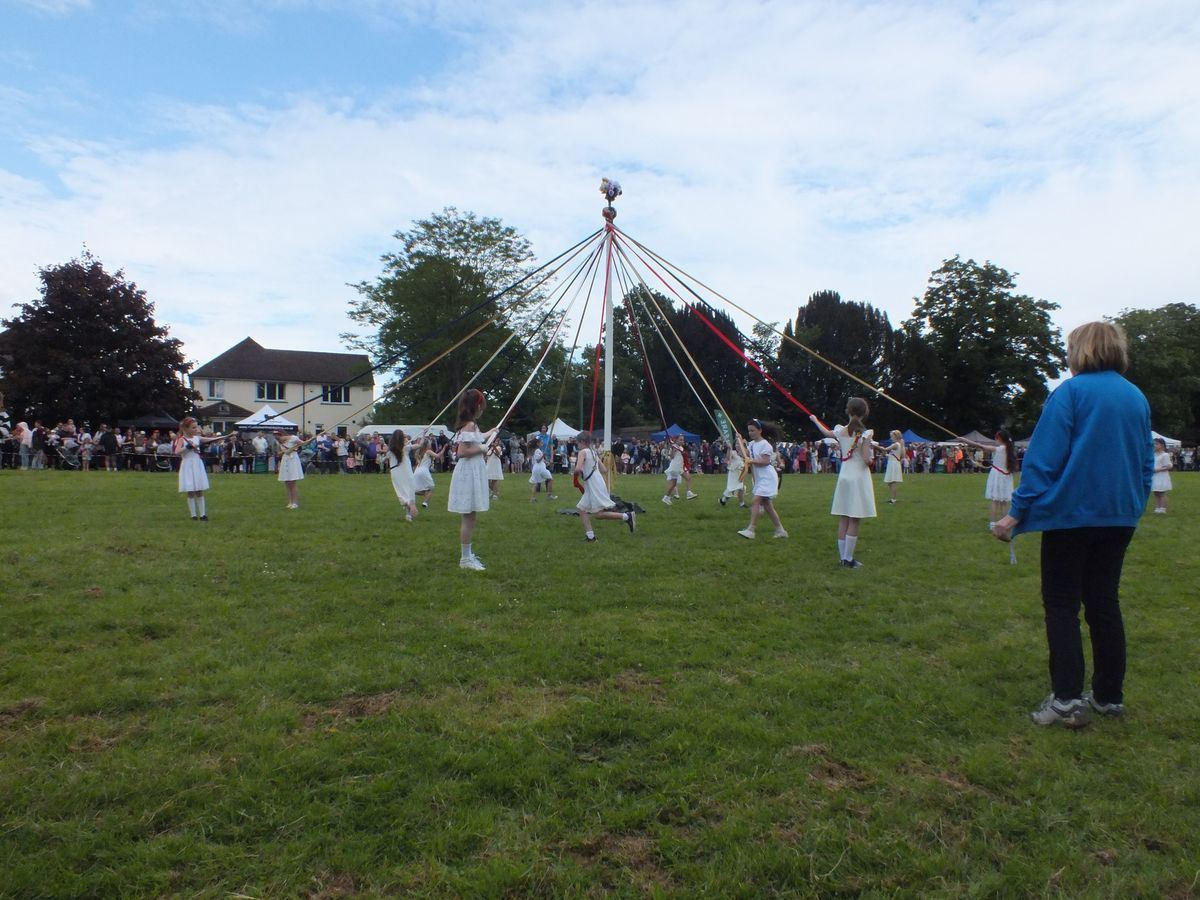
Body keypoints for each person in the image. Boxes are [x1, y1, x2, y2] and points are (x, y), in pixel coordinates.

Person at [992, 322, 1153, 728]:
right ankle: (1108, 696)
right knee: (1104, 603)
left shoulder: (1071, 393)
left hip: (1071, 518)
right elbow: (1145, 462)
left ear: (1080, 351)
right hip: (1119, 516)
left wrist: (1016, 511)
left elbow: (1044, 459)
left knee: (1062, 606)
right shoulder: (1136, 397)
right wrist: (1134, 503)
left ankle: (1066, 700)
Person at [810, 398, 876, 568]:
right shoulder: (866, 434)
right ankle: (848, 559)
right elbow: (867, 459)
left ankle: (843, 558)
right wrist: (871, 458)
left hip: (845, 475)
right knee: (855, 519)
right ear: (865, 413)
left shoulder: (840, 431)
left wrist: (815, 420)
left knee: (844, 517)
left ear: (848, 411)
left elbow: (826, 433)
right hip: (859, 476)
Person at [448, 389, 497, 570]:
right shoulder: (469, 425)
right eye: (481, 406)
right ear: (476, 406)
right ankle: (465, 559)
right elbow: (462, 452)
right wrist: (483, 449)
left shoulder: (470, 426)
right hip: (468, 472)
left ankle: (467, 555)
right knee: (469, 517)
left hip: (471, 471)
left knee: (471, 516)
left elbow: (477, 438)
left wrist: (490, 432)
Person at [573, 431, 636, 541]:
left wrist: (578, 474)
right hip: (597, 482)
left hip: (593, 484)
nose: (576, 445)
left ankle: (627, 516)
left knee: (598, 514)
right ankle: (590, 536)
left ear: (582, 442)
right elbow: (604, 470)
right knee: (582, 509)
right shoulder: (593, 453)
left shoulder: (582, 452)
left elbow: (578, 469)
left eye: (577, 443)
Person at [736, 420, 787, 539]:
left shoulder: (765, 444)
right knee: (768, 505)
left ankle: (751, 530)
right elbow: (745, 455)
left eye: (753, 430)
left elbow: (765, 461)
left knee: (756, 500)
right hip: (760, 478)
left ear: (760, 430)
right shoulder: (752, 444)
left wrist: (751, 461)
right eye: (749, 431)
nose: (751, 433)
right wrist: (740, 441)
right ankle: (780, 530)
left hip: (767, 477)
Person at [173, 418, 222, 520]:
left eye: (196, 427)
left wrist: (228, 435)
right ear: (186, 429)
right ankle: (193, 515)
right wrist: (188, 447)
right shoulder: (181, 439)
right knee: (190, 490)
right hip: (187, 465)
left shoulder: (197, 438)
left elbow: (213, 439)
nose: (196, 429)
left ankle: (203, 514)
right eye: (193, 427)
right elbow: (177, 451)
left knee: (199, 489)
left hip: (197, 464)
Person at [386, 429, 419, 522]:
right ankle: (411, 506)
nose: (406, 438)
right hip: (406, 473)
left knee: (403, 492)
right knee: (408, 491)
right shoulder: (405, 448)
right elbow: (419, 445)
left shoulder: (393, 450)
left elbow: (385, 458)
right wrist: (424, 435)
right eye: (404, 437)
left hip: (396, 474)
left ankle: (409, 513)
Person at [986, 429, 1016, 527]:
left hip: (998, 476)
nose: (995, 440)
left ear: (1000, 438)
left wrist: (965, 440)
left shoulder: (1001, 448)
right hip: (1006, 477)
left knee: (995, 501)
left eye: (996, 438)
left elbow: (981, 446)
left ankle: (993, 523)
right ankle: (1004, 523)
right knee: (1004, 502)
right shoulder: (1009, 448)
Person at [275, 430, 308, 509]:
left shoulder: (293, 438)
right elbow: (279, 453)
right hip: (285, 460)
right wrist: (282, 452)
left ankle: (295, 503)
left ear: (283, 435)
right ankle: (290, 502)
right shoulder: (280, 443)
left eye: (279, 437)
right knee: (287, 483)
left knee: (292, 483)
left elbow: (304, 443)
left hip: (293, 460)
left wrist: (307, 441)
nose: (279, 439)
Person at [412, 438, 445, 507]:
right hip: (424, 471)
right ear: (427, 445)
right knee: (431, 487)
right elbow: (437, 456)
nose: (430, 444)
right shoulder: (428, 451)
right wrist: (444, 448)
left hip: (417, 471)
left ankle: (412, 492)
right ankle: (425, 503)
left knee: (425, 490)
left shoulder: (419, 452)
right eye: (429, 443)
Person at [720, 440, 747, 508]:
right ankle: (723, 500)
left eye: (739, 444)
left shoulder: (744, 453)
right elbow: (728, 457)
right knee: (732, 489)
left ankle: (742, 504)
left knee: (741, 488)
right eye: (736, 444)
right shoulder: (733, 452)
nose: (737, 445)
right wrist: (729, 448)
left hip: (740, 473)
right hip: (733, 473)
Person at [1151, 438, 1173, 514]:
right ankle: (1157, 507)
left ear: (1162, 445)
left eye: (1156, 444)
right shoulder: (1153, 454)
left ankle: (1163, 508)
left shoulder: (1165, 455)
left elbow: (1169, 466)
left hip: (1162, 476)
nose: (1155, 445)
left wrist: (1158, 469)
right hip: (1155, 476)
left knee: (1162, 493)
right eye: (1154, 444)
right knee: (1156, 492)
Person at [883, 430, 904, 504]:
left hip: (893, 464)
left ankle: (893, 499)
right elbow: (892, 455)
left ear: (895, 436)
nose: (891, 438)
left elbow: (885, 449)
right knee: (890, 482)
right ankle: (892, 498)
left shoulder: (895, 444)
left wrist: (875, 446)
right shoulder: (898, 444)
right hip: (892, 463)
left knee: (893, 482)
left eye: (892, 436)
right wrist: (886, 455)